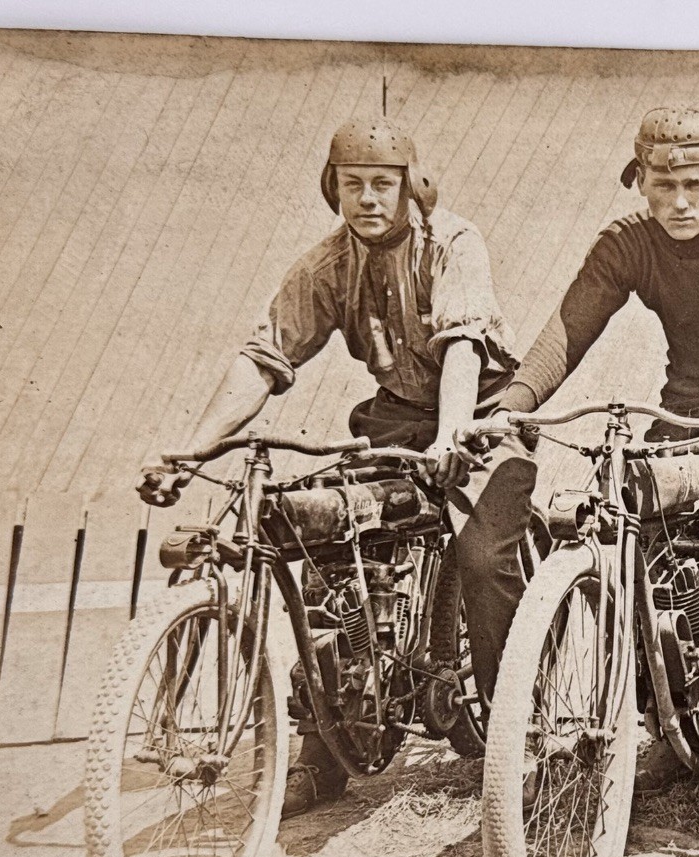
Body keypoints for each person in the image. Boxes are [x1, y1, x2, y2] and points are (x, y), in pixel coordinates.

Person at [138, 119, 537, 816]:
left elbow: (464, 348)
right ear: (334, 190)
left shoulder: (453, 243)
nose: (368, 200)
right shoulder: (326, 266)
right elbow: (265, 357)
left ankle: (512, 736)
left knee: (480, 557)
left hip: (480, 414)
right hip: (393, 415)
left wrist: (450, 436)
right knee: (322, 540)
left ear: (411, 187)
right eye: (352, 185)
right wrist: (193, 448)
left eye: (383, 184)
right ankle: (322, 750)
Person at [460, 106, 699, 789]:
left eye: (695, 185)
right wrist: (508, 409)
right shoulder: (627, 243)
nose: (679, 201)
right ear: (640, 182)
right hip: (691, 404)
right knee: (635, 506)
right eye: (662, 186)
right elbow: (566, 330)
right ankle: (670, 694)